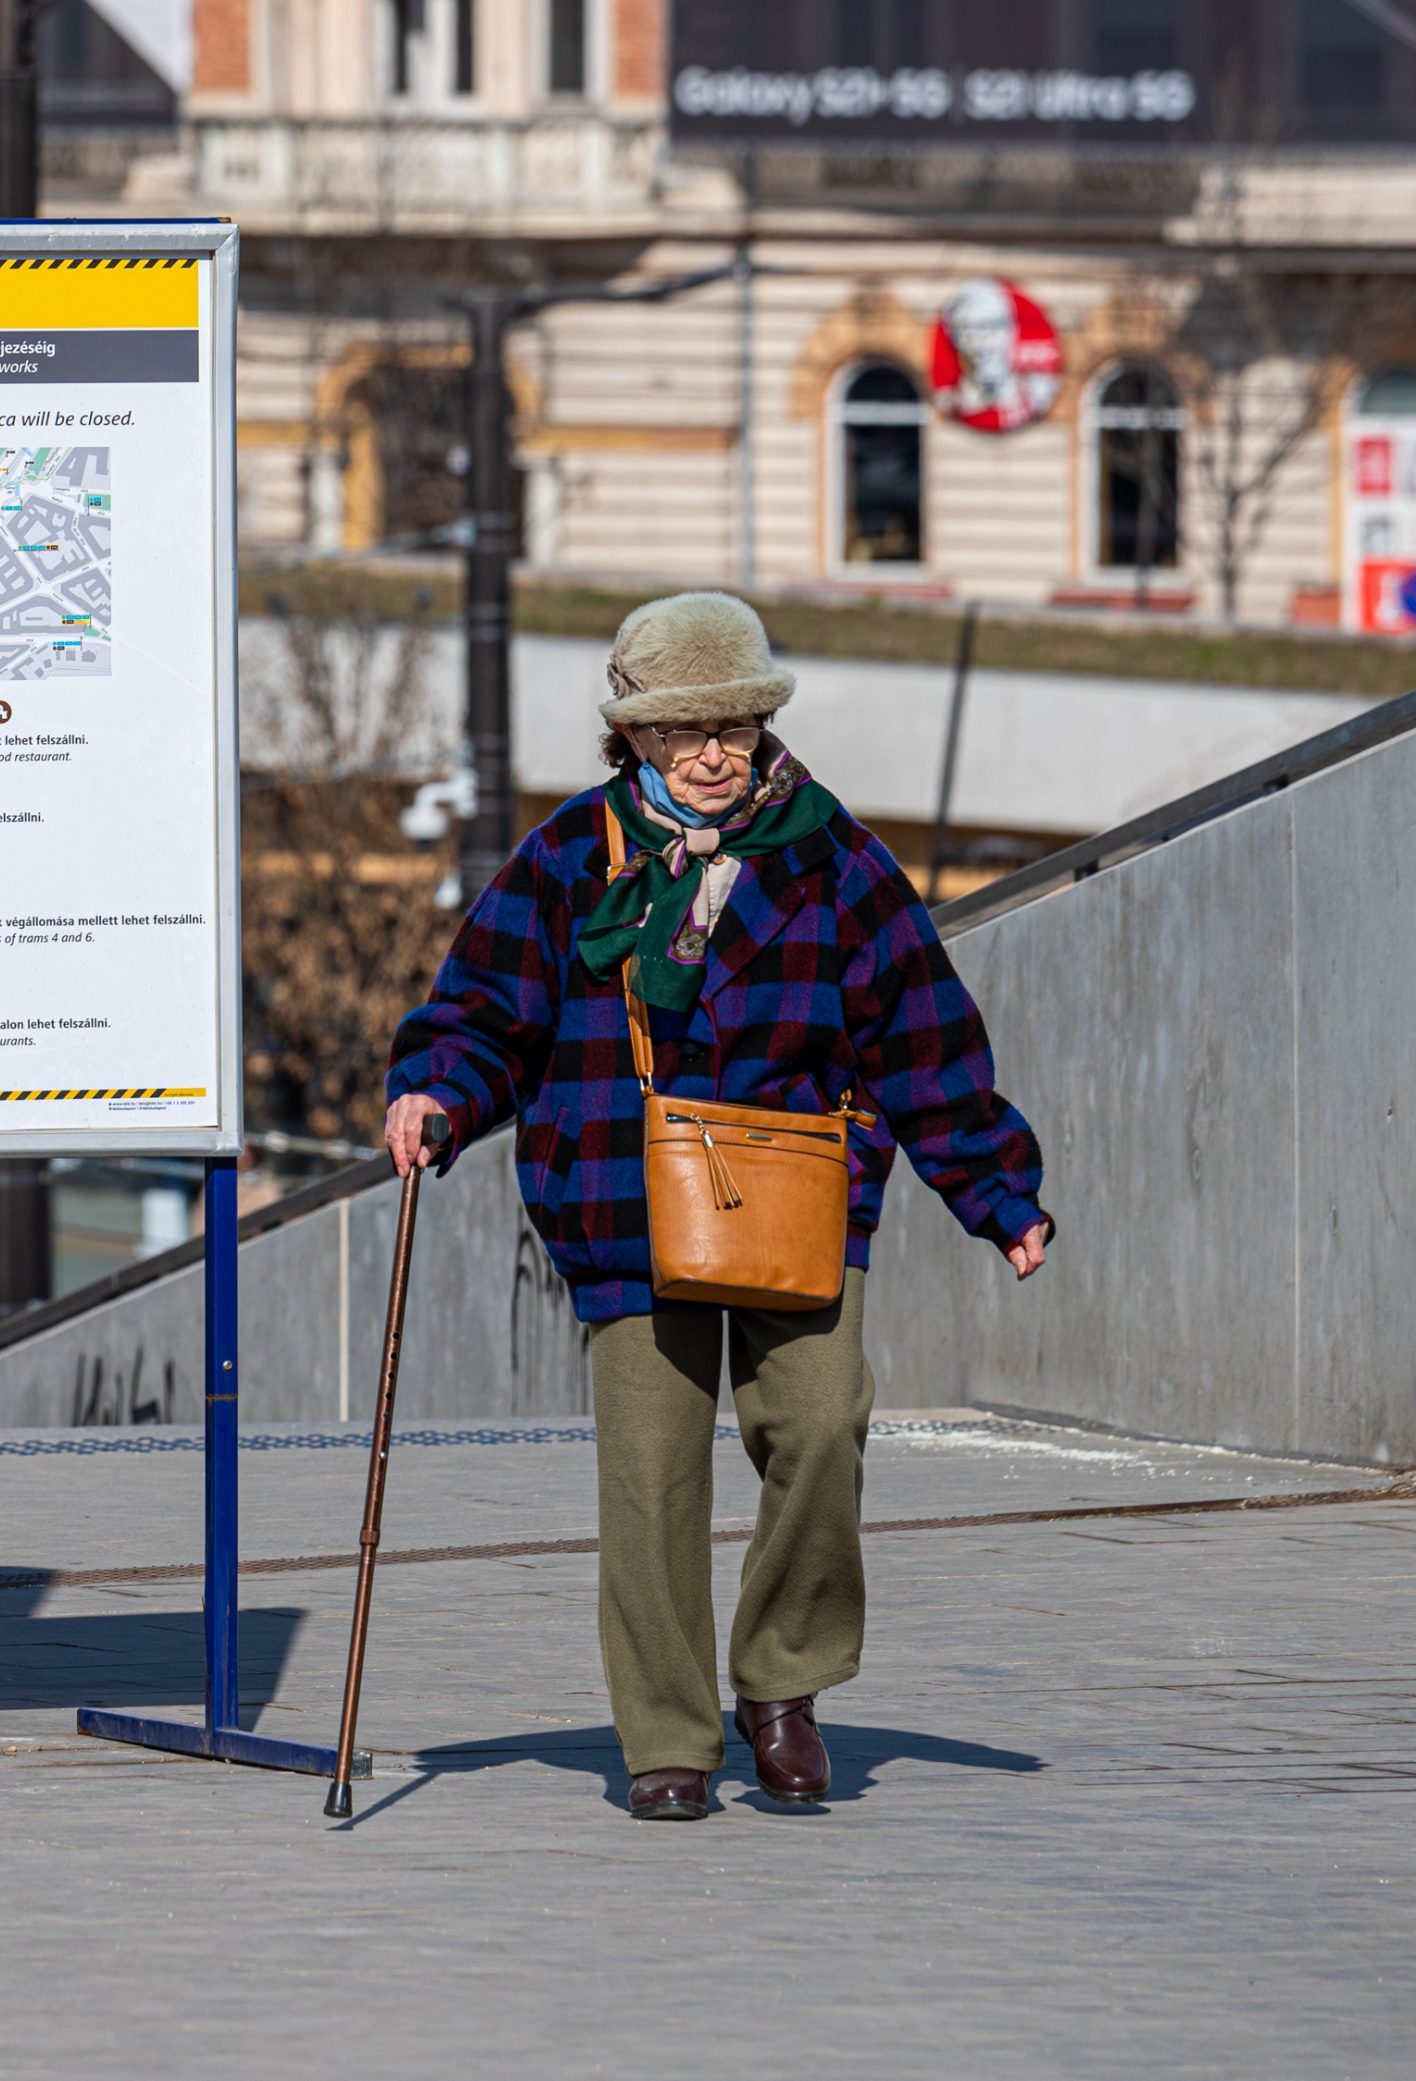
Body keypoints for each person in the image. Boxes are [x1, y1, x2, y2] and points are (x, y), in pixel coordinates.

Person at [382, 591, 1050, 1822]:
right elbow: (486, 1016)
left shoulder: (829, 854)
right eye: (683, 731)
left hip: (795, 1193)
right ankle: (667, 1736)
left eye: (733, 727)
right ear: (630, 736)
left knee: (821, 1425)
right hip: (622, 1197)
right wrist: (436, 1094)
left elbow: (921, 1033)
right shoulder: (567, 857)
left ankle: (781, 1684)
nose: (710, 754)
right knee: (650, 1475)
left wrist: (996, 1188)